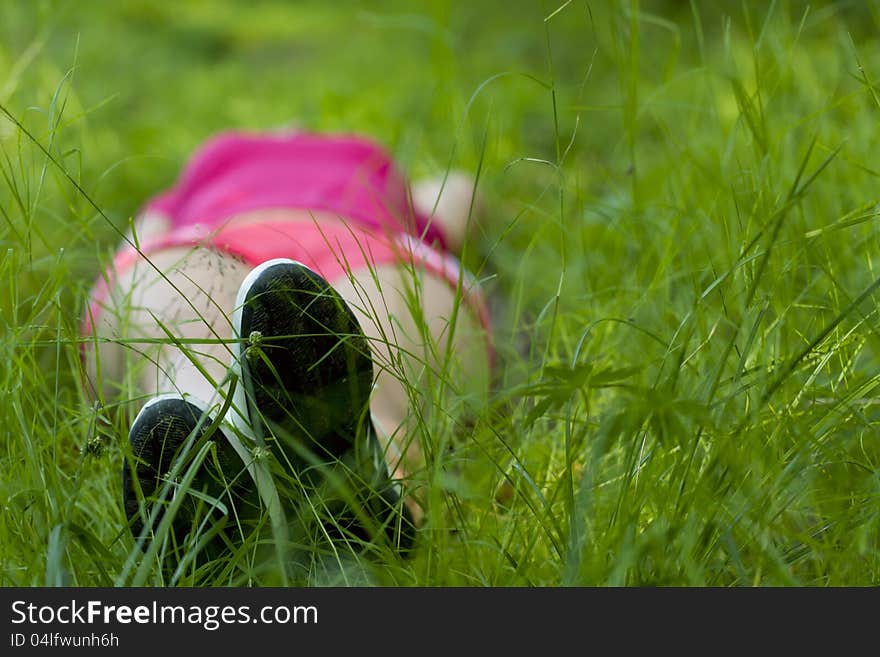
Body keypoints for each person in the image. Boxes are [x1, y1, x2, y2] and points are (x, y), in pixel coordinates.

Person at [80, 130, 493, 575]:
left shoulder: (221, 154)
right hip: (248, 238)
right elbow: (461, 195)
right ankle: (355, 486)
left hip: (358, 243)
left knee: (195, 351)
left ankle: (221, 482)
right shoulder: (357, 155)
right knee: (377, 371)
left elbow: (139, 238)